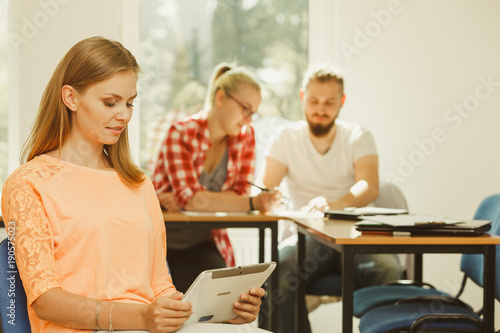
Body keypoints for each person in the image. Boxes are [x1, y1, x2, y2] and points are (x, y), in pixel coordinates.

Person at [1, 36, 266, 333]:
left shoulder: (138, 183)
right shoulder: (28, 183)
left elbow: (160, 288)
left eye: (129, 103)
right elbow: (46, 301)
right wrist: (140, 317)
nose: (124, 114)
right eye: (110, 102)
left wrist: (220, 313)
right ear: (70, 98)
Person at [261, 64, 403, 332]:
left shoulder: (358, 136)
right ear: (303, 98)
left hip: (356, 234)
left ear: (342, 102)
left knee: (387, 269)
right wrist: (266, 197)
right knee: (279, 268)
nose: (320, 110)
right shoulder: (286, 138)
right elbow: (265, 189)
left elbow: (369, 186)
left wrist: (335, 204)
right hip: (309, 237)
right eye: (313, 101)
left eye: (329, 103)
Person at [151, 63, 281, 292]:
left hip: (202, 240)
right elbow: (193, 200)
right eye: (245, 109)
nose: (249, 120)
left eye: (254, 113)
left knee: (226, 301)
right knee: (177, 307)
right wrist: (250, 203)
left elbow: (236, 194)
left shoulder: (244, 136)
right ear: (220, 98)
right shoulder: (180, 133)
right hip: (161, 243)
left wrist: (195, 200)